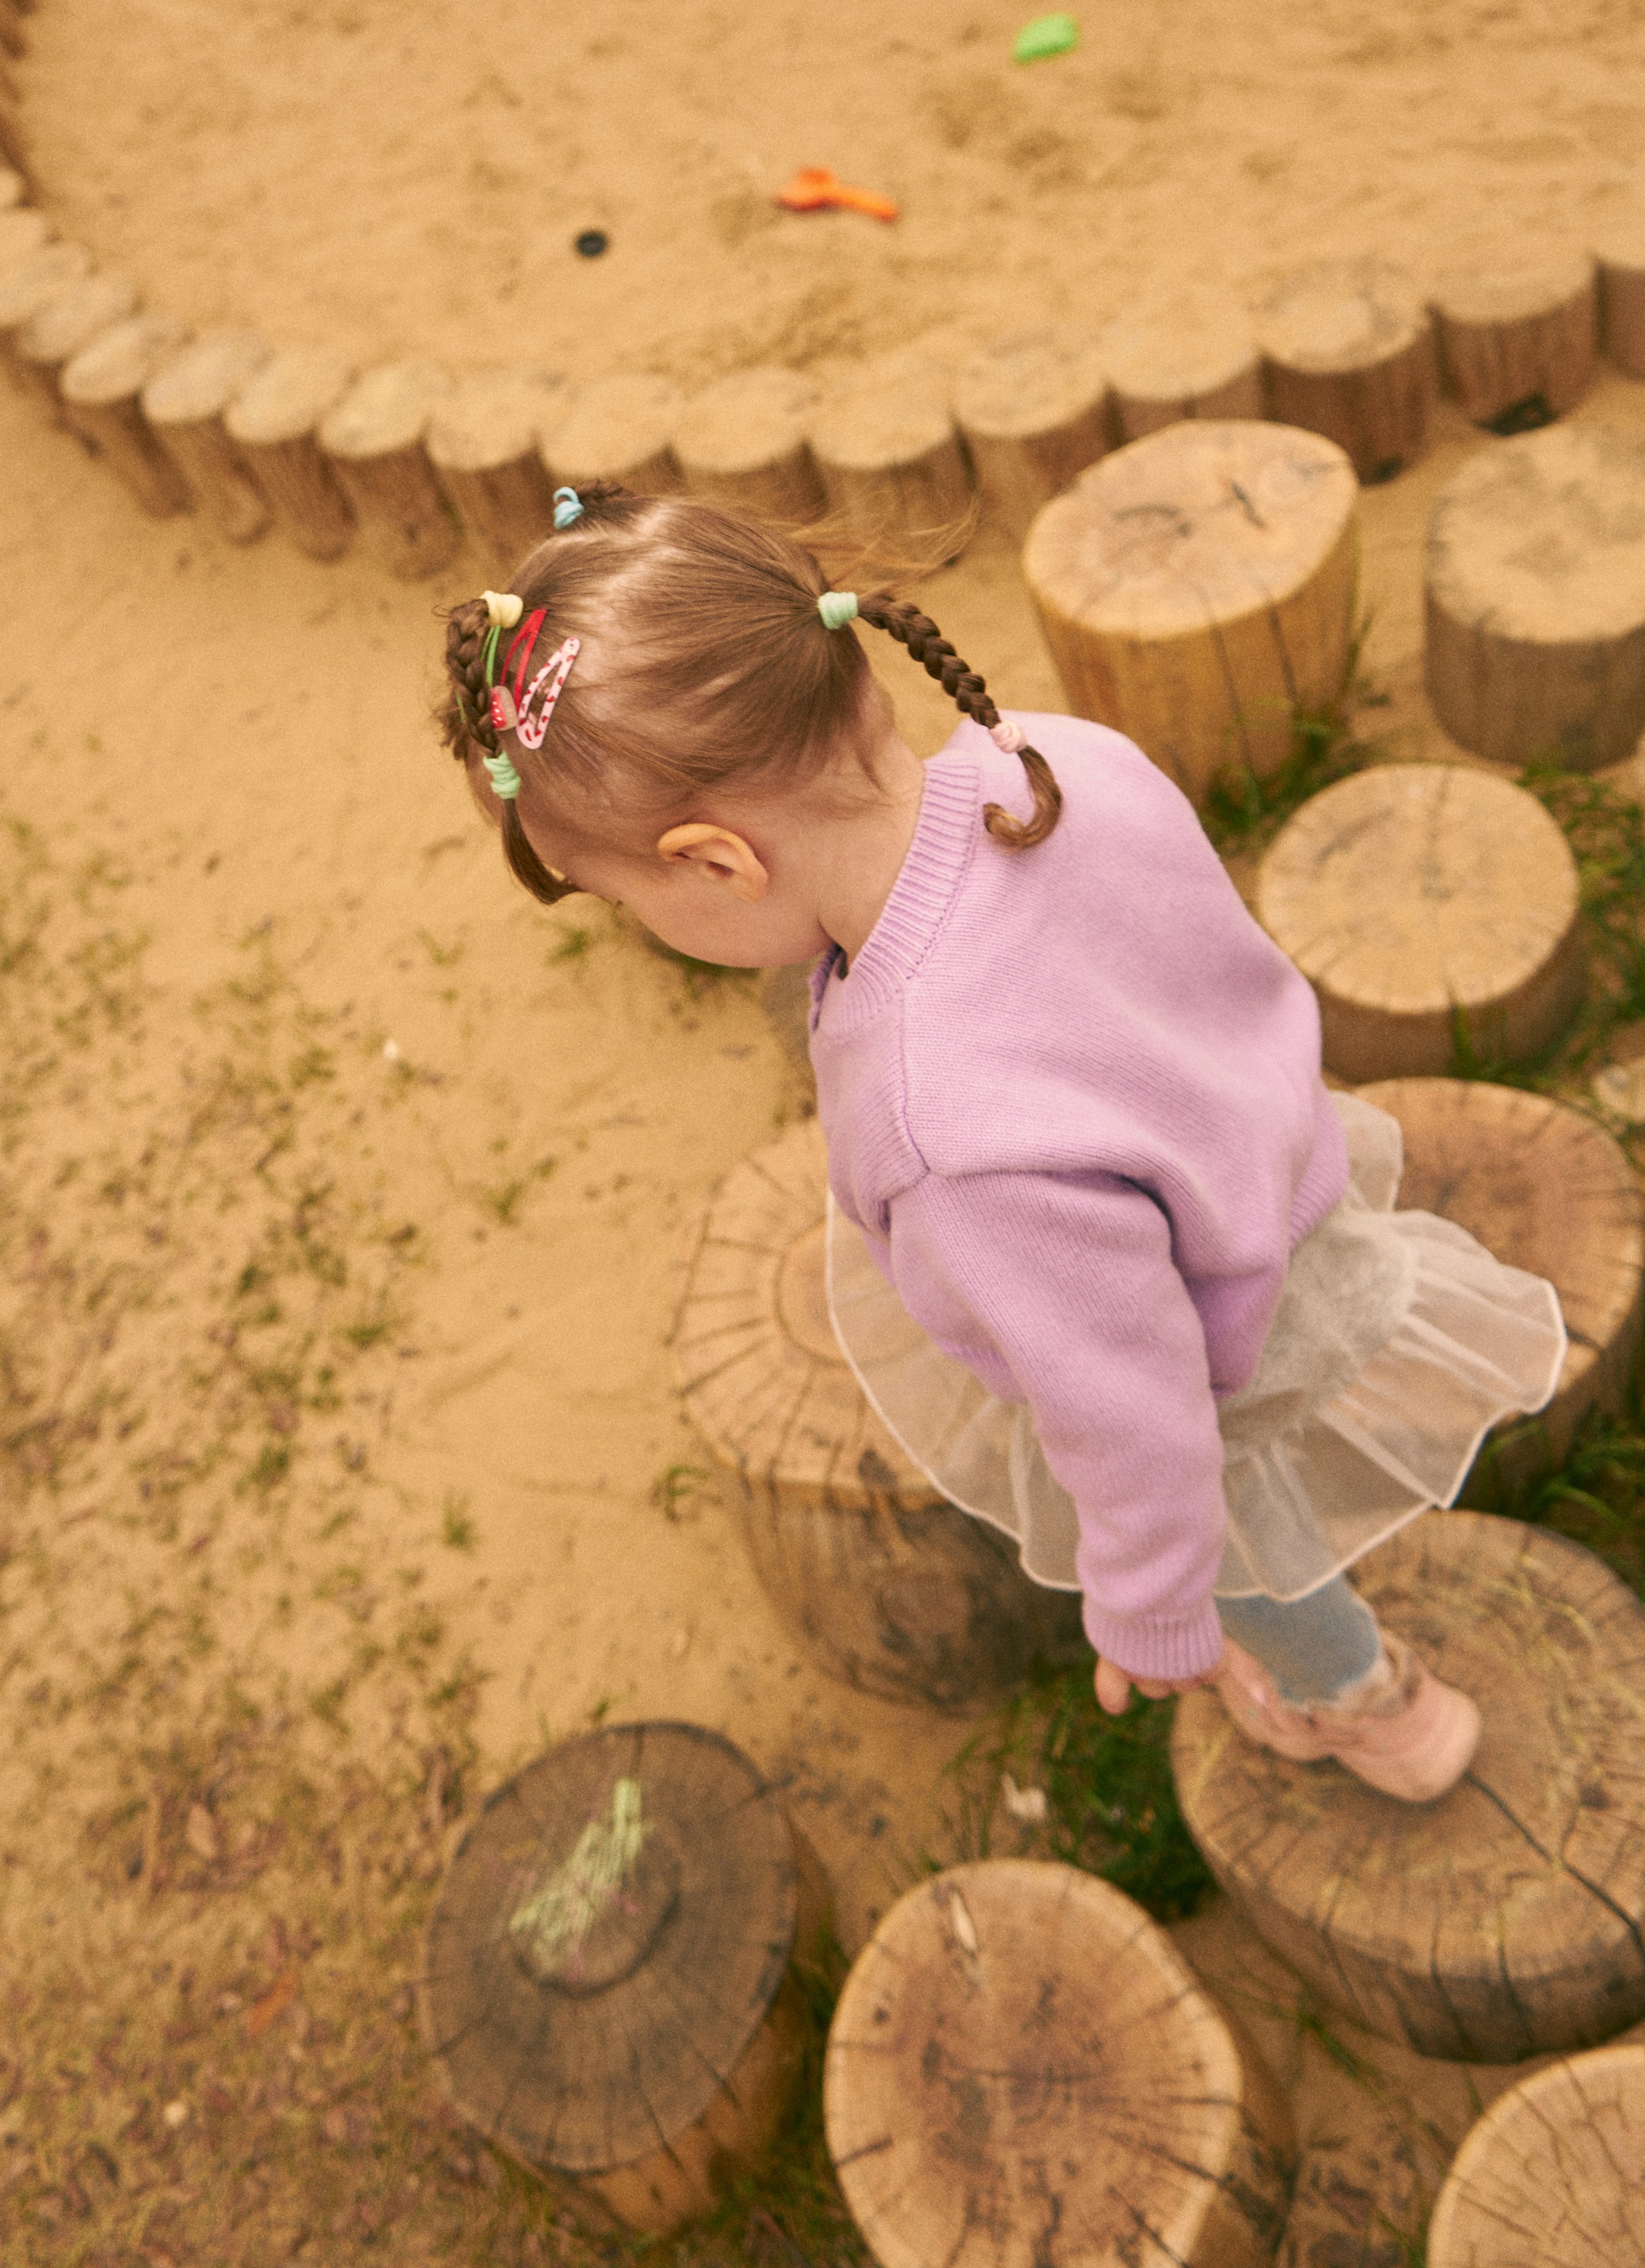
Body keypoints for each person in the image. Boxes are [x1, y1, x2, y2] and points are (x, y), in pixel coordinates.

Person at [440, 483, 1568, 1803]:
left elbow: (1130, 1404)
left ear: (715, 864)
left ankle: (1373, 1705)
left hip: (1223, 1344)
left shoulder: (953, 1142)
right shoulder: (1042, 753)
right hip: (1265, 1167)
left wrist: (1152, 1606)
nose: (645, 924)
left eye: (627, 901)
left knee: (1262, 1558)